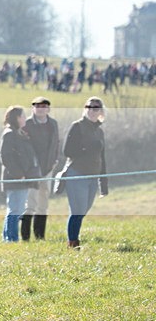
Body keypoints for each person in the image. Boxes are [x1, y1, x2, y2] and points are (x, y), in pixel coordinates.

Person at [62, 97, 108, 249]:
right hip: (77, 173)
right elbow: (67, 151)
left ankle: (73, 240)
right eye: (89, 107)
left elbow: (102, 157)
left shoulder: (99, 131)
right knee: (77, 210)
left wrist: (103, 183)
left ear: (100, 111)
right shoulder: (77, 127)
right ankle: (73, 244)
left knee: (83, 210)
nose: (92, 110)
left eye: (96, 108)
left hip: (93, 176)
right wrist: (86, 149)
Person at [0, 106, 41, 242]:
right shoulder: (9, 134)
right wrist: (18, 174)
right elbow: (6, 156)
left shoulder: (20, 133)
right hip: (15, 179)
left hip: (23, 178)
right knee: (15, 210)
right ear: (16, 118)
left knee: (16, 209)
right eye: (23, 116)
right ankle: (11, 239)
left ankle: (8, 238)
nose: (25, 118)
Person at [20, 96, 59, 240]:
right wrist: (28, 166)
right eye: (37, 106)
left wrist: (55, 160)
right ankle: (25, 237)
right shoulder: (27, 124)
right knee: (30, 203)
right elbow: (23, 146)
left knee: (43, 203)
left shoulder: (53, 124)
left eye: (44, 106)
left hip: (48, 168)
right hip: (32, 169)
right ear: (33, 108)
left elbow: (56, 143)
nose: (40, 109)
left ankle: (40, 236)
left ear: (48, 109)